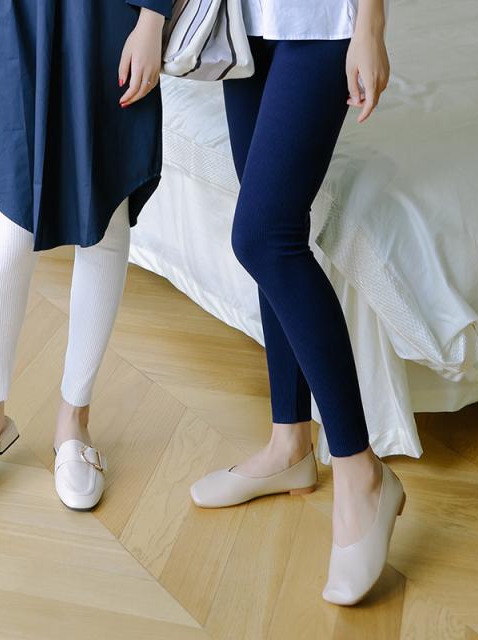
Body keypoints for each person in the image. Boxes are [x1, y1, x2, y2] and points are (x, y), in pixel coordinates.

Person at [190, 0, 406, 605]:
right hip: (245, 21)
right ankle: (289, 445)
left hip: (323, 22)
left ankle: (362, 471)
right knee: (277, 236)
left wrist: (370, 26)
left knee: (263, 237)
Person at [0, 0, 171, 516]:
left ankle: (74, 420)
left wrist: (153, 18)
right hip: (17, 14)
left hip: (108, 14)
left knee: (104, 211)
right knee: (8, 222)